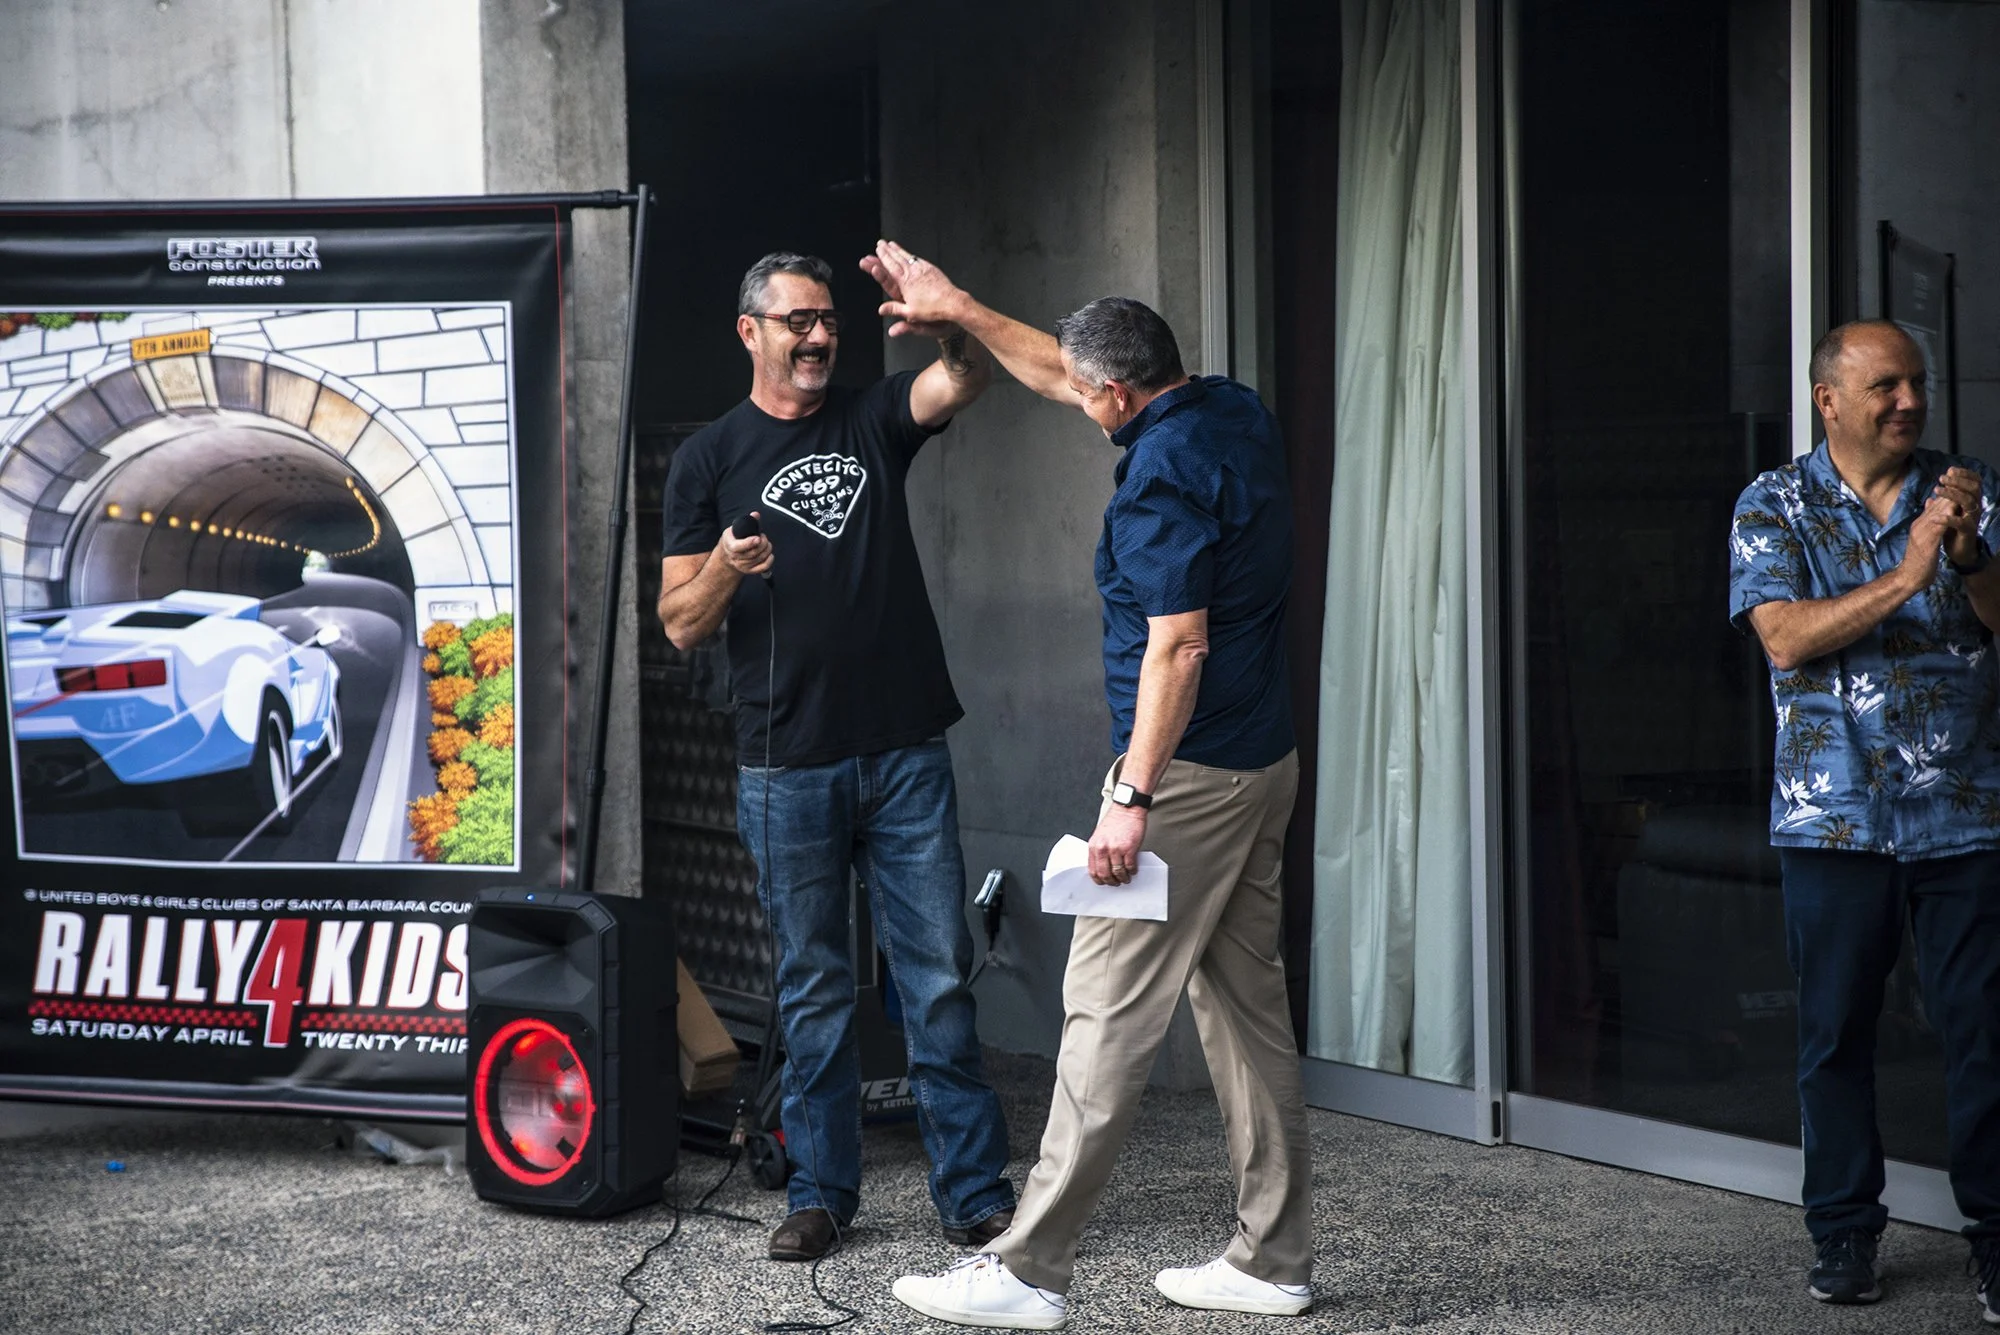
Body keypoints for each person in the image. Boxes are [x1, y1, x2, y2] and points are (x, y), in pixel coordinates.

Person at [870, 242, 1313, 1329]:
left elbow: (1178, 647)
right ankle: (1270, 1260)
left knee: (1101, 1014)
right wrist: (959, 306)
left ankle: (1026, 1270)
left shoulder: (1157, 478)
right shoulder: (1224, 411)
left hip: (1189, 779)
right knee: (1247, 1019)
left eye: (1085, 393)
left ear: (1115, 393)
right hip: (1262, 764)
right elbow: (1058, 369)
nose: (1073, 401)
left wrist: (1130, 795)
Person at [656, 251, 1015, 1263]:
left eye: (827, 322)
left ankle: (973, 1196)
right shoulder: (708, 459)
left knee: (935, 974)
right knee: (812, 987)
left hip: (902, 750)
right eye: (795, 322)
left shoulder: (871, 420)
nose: (816, 338)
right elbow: (680, 625)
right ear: (749, 332)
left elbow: (967, 377)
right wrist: (727, 565)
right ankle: (818, 1195)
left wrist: (946, 318)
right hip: (785, 763)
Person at [1729, 319, 2000, 1318]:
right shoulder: (1772, 502)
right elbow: (1783, 638)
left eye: (1916, 384)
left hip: (1963, 814)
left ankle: (1994, 1239)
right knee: (1832, 1034)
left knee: (1980, 1034)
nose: (1907, 403)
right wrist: (1905, 574)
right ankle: (1841, 1233)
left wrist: (1966, 557)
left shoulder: (1964, 487)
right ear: (1827, 400)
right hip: (1831, 821)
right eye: (1884, 386)